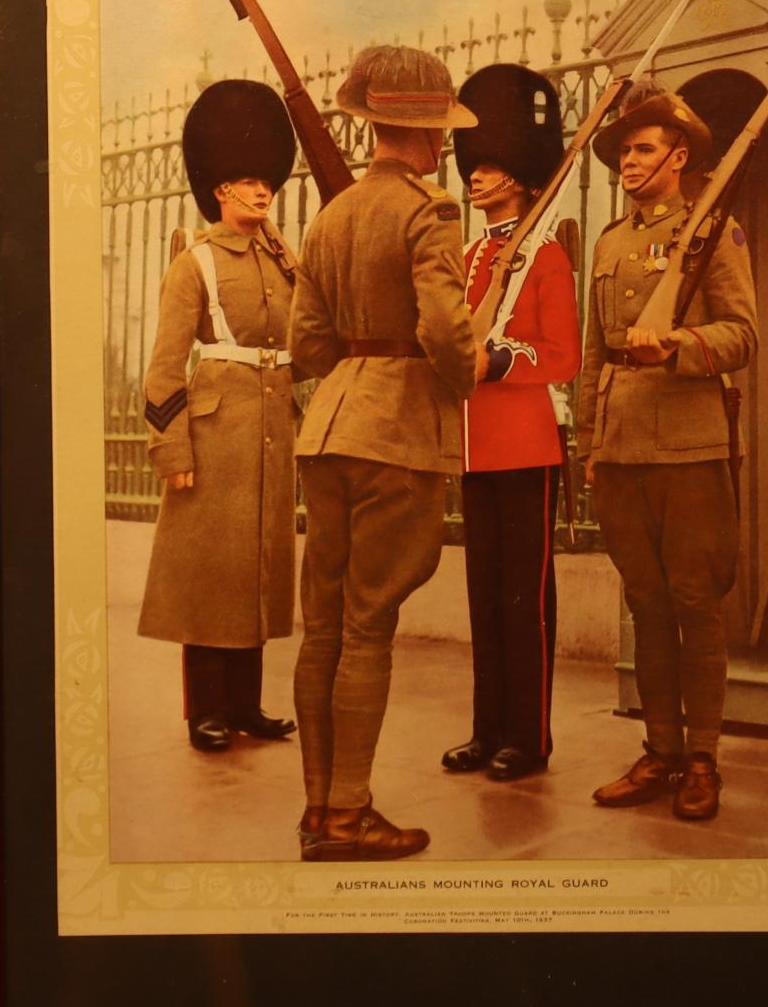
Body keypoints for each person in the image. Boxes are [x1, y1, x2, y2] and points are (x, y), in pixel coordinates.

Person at [290, 44, 482, 862]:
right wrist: (467, 374)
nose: (444, 143)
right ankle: (347, 814)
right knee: (368, 627)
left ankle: (317, 808)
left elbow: (306, 343)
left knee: (323, 628)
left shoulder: (329, 215)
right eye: (440, 129)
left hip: (329, 426)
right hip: (395, 432)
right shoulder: (431, 211)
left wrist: (353, 380)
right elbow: (445, 330)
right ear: (427, 132)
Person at [576, 82, 758, 820]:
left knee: (693, 604)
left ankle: (704, 759)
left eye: (643, 148)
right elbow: (594, 354)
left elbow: (743, 334)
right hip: (622, 450)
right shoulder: (609, 243)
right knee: (645, 606)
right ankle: (659, 752)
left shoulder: (716, 232)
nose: (629, 161)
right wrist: (589, 441)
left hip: (689, 447)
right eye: (622, 151)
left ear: (678, 156)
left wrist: (678, 344)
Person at [137, 78, 301, 752]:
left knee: (258, 567)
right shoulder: (194, 263)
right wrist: (172, 451)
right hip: (213, 431)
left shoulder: (285, 260)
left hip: (270, 428)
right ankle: (205, 709)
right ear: (217, 189)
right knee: (210, 573)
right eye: (243, 180)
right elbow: (161, 369)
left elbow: (303, 343)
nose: (260, 191)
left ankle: (246, 705)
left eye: (265, 179)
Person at [440, 64, 581, 782]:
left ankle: (527, 738)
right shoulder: (468, 257)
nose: (477, 176)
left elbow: (563, 356)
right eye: (474, 164)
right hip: (472, 446)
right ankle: (486, 727)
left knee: (523, 603)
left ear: (523, 178)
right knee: (484, 599)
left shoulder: (545, 257)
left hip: (524, 444)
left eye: (492, 165)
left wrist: (497, 360)